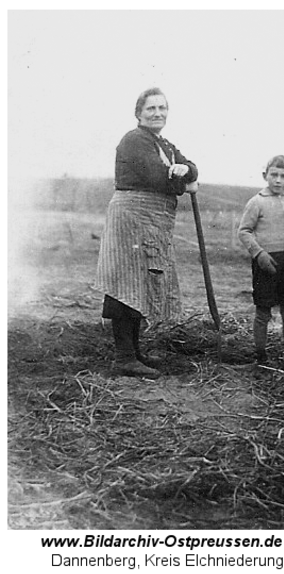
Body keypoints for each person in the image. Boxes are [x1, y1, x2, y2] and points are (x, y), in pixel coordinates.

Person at [96, 87, 198, 378]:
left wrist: (187, 173)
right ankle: (124, 357)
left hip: (150, 222)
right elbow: (157, 177)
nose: (158, 113)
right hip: (130, 219)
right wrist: (184, 183)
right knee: (125, 283)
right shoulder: (134, 141)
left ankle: (135, 352)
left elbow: (191, 167)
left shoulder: (163, 143)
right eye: (151, 108)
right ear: (138, 113)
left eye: (162, 108)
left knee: (141, 284)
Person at [238, 155, 284, 370]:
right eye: (274, 175)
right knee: (263, 310)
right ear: (265, 176)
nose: (278, 180)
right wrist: (259, 254)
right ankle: (260, 357)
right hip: (266, 261)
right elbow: (244, 231)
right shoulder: (257, 202)